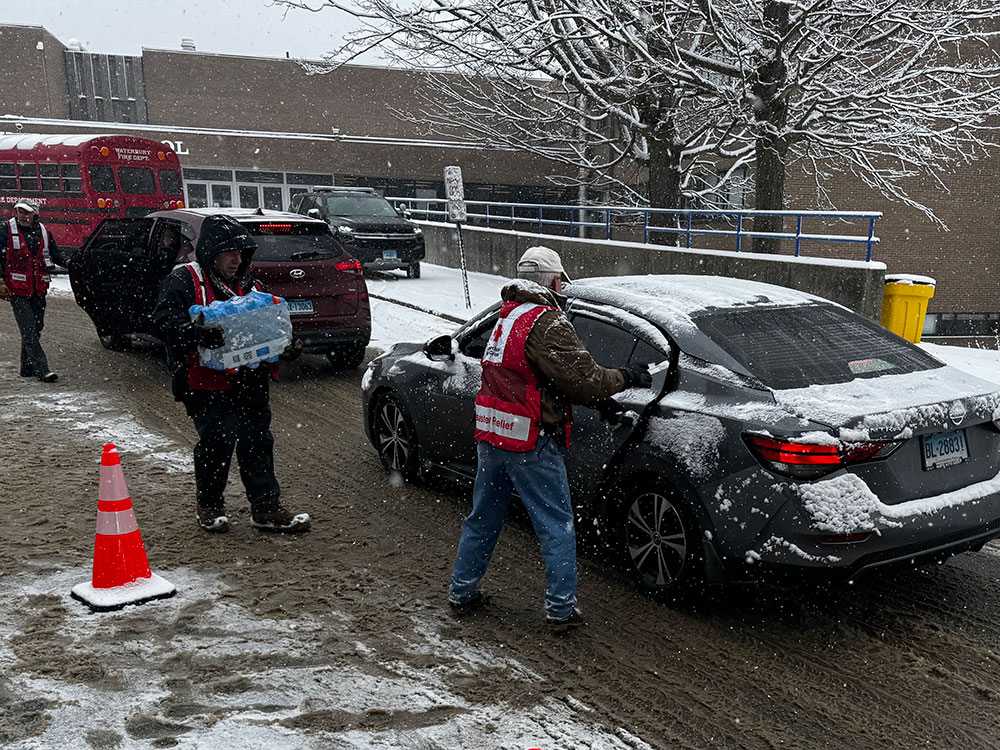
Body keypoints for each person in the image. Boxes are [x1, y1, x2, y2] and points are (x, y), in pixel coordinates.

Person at [448, 245, 652, 632]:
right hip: (530, 441)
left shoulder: (506, 315)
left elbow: (530, 376)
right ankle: (560, 609)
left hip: (492, 435)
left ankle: (461, 590)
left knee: (483, 518)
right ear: (555, 281)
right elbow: (585, 379)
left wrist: (598, 401)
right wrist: (627, 376)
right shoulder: (548, 321)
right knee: (555, 524)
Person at [151, 214, 310, 534]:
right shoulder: (185, 280)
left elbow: (271, 327)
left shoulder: (253, 285)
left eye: (242, 252)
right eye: (230, 252)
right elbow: (162, 321)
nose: (238, 259)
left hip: (250, 379)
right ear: (211, 252)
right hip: (203, 381)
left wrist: (286, 344)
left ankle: (266, 509)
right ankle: (209, 506)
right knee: (216, 442)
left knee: (257, 441)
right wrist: (195, 332)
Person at [0, 199, 66, 382]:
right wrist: (0, 280)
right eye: (20, 212)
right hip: (17, 290)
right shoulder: (6, 230)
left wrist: (69, 262)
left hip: (38, 289)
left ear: (35, 214)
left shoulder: (44, 232)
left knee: (36, 328)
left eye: (26, 212)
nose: (22, 216)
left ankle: (26, 368)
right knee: (28, 329)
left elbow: (55, 253)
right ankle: (42, 370)